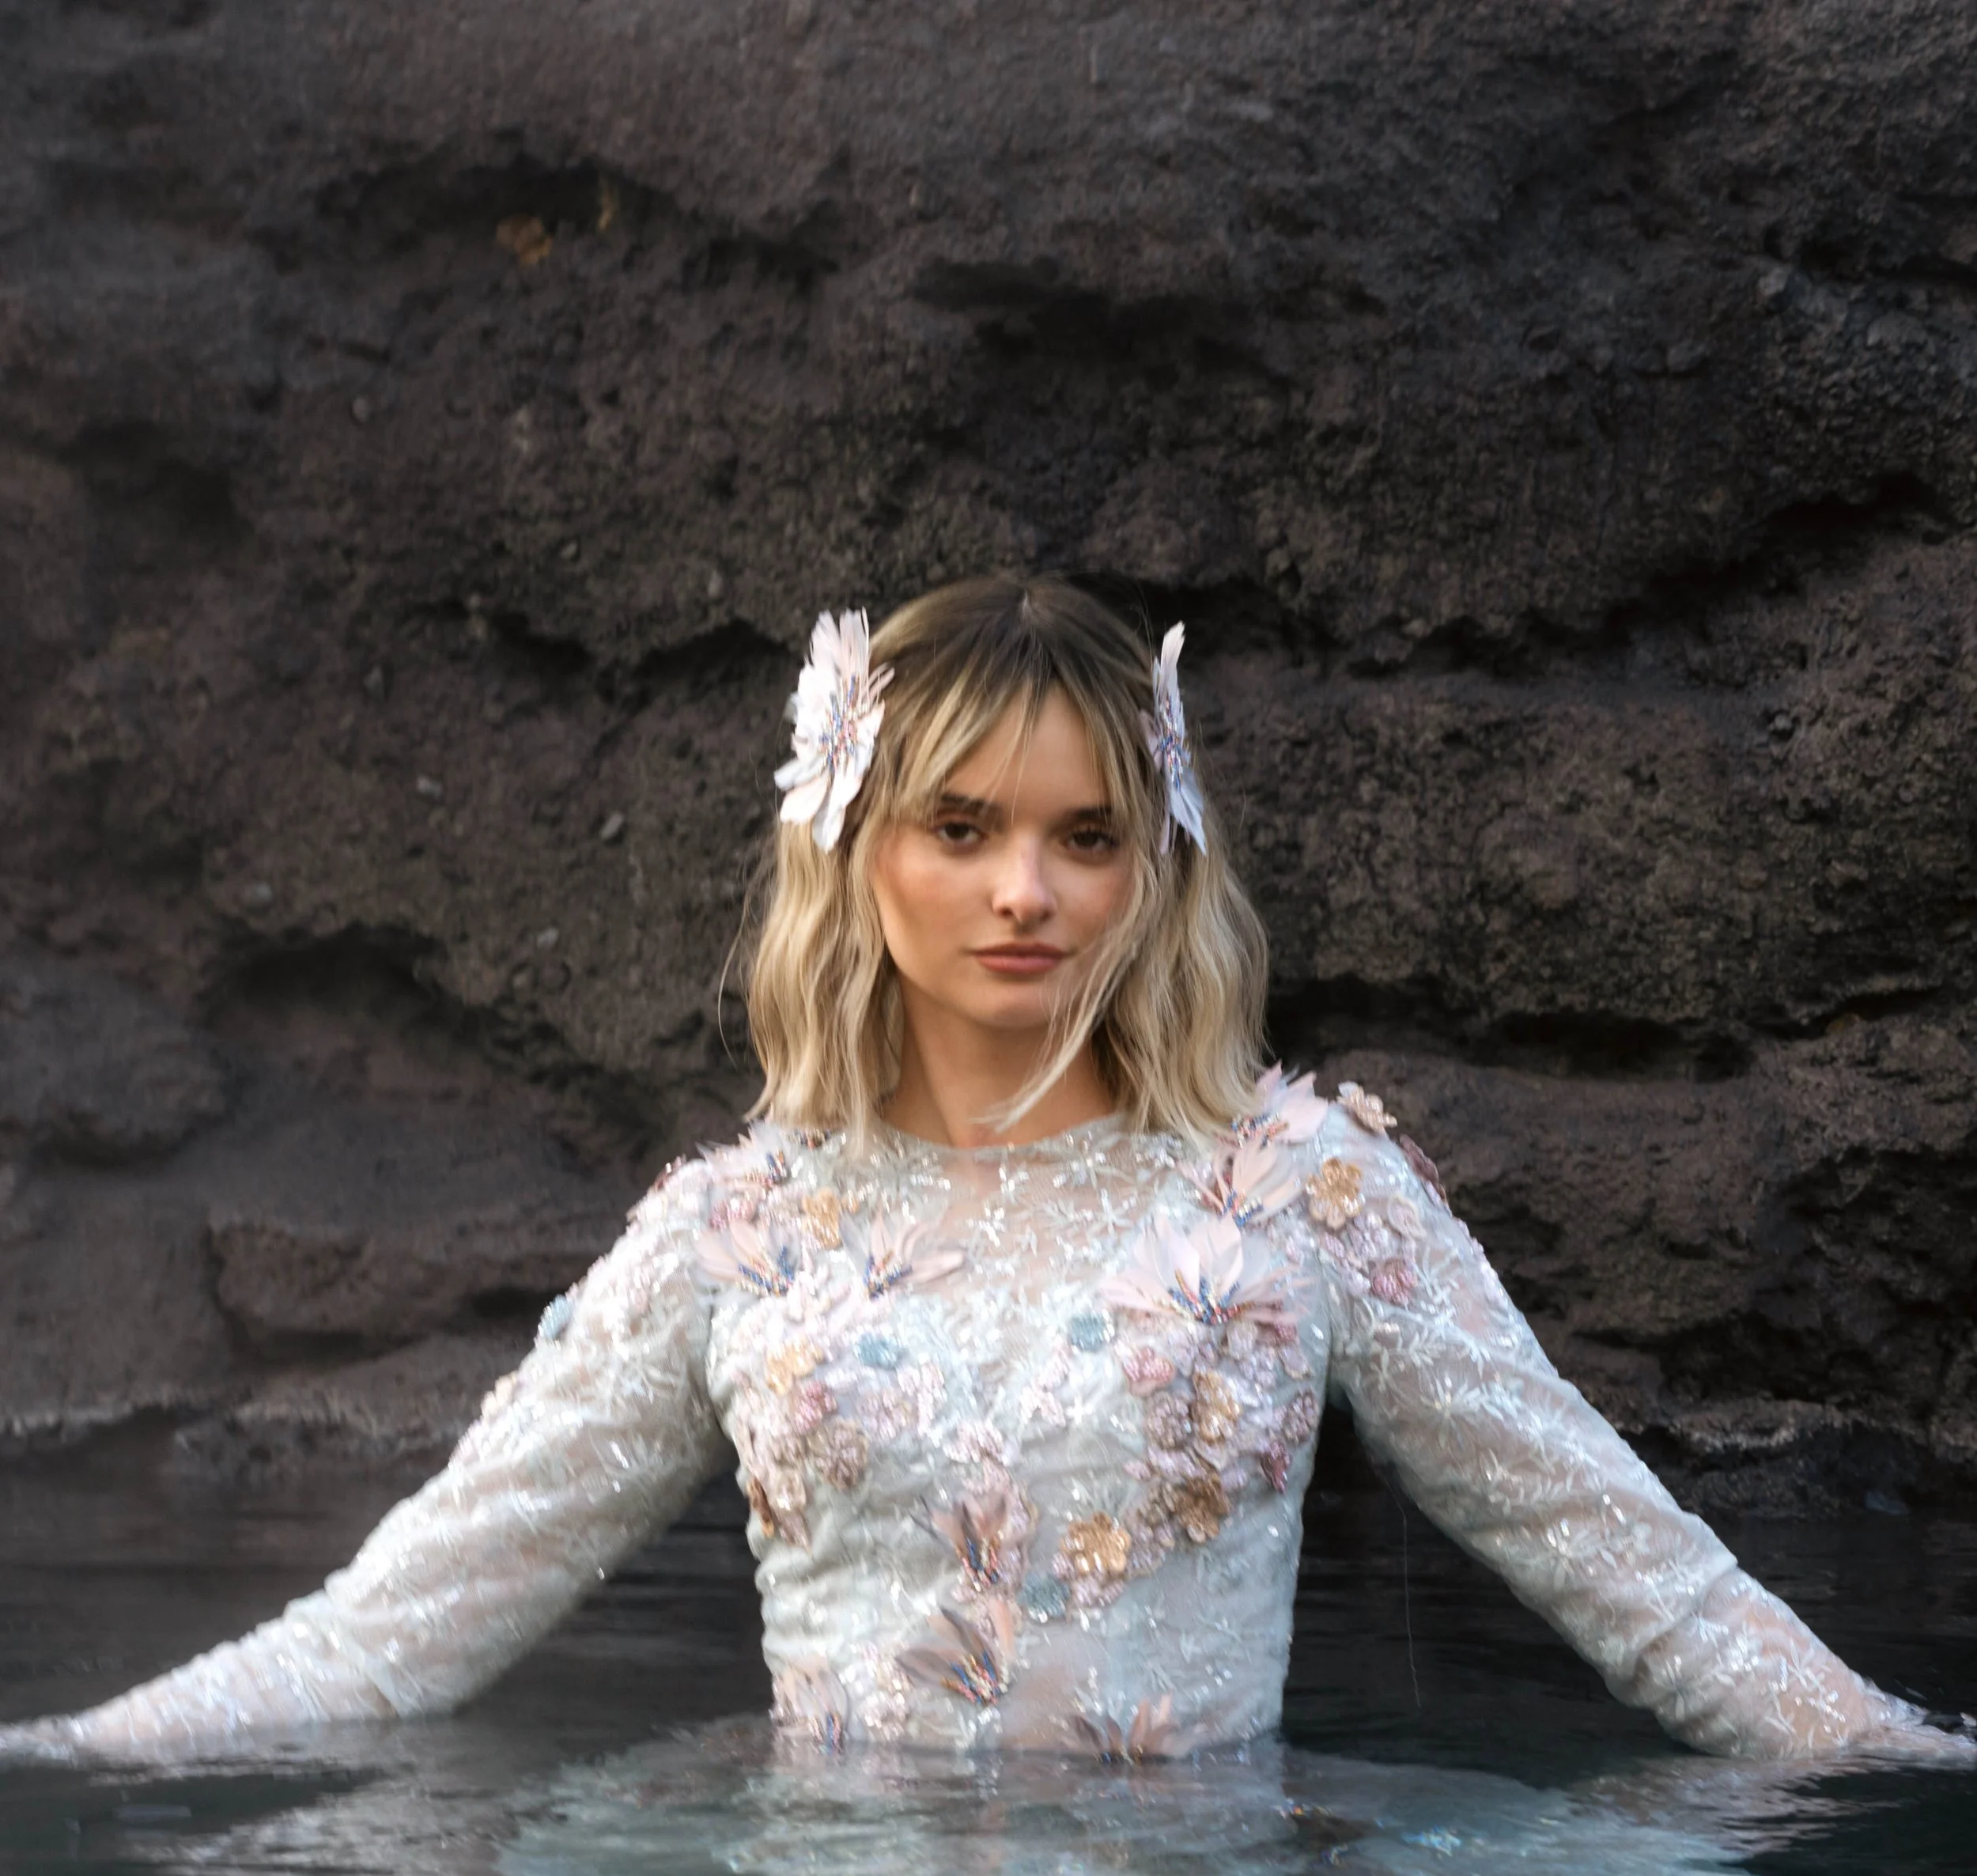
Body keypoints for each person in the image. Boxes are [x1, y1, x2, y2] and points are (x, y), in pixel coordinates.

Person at [2, 577, 1964, 1768]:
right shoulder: (734, 1230)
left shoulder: (1303, 1193)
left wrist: (1908, 1759)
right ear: (856, 844)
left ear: (1154, 863)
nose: (1025, 888)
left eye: (1085, 834)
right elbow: (387, 1633)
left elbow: (1651, 1590)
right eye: (960, 824)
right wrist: (67, 1751)